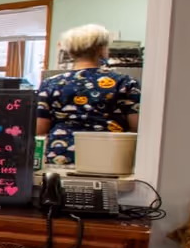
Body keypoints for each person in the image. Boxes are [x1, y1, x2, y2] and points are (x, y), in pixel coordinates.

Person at [35, 23, 139, 167]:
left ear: (70, 52)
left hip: (60, 156)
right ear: (102, 50)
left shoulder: (50, 84)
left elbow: (40, 129)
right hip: (109, 158)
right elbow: (135, 128)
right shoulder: (125, 83)